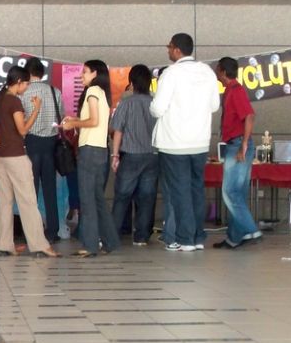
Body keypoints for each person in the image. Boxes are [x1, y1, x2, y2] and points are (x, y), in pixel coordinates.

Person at [150, 32, 220, 252]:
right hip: (200, 141)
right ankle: (198, 237)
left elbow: (157, 108)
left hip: (174, 143)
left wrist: (153, 106)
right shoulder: (207, 71)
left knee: (179, 192)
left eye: (169, 47)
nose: (168, 50)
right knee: (196, 190)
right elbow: (215, 105)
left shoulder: (171, 73)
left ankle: (185, 239)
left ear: (177, 50)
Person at [0, 66, 58, 258]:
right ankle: (40, 244)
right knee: (28, 201)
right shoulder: (14, 101)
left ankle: (5, 244)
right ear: (18, 82)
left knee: (5, 201)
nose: (27, 87)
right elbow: (23, 130)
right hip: (15, 156)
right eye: (26, 83)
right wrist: (36, 109)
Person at [61, 60, 120, 257]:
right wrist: (75, 120)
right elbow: (98, 121)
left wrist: (73, 124)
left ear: (95, 73)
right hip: (101, 150)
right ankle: (110, 241)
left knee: (87, 199)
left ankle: (90, 245)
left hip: (89, 150)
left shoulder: (92, 91)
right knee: (98, 199)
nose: (81, 76)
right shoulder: (102, 93)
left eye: (85, 72)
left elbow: (93, 121)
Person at [212, 57, 261, 249]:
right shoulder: (229, 91)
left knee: (229, 192)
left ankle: (251, 229)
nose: (216, 72)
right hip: (236, 143)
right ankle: (234, 237)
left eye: (217, 69)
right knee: (237, 193)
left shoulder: (236, 90)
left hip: (238, 144)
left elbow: (249, 116)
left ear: (223, 72)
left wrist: (244, 145)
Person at [110, 64, 160, 246]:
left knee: (122, 195)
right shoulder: (155, 103)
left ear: (132, 82)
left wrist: (115, 155)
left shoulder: (126, 103)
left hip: (131, 155)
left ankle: (112, 235)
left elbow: (118, 130)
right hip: (153, 155)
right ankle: (142, 237)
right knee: (147, 197)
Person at [20, 57, 63, 244]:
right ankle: (53, 231)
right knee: (50, 189)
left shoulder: (23, 92)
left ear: (28, 74)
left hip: (31, 142)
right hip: (51, 143)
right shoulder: (55, 91)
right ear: (42, 73)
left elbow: (20, 120)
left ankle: (31, 232)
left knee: (31, 190)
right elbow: (61, 117)